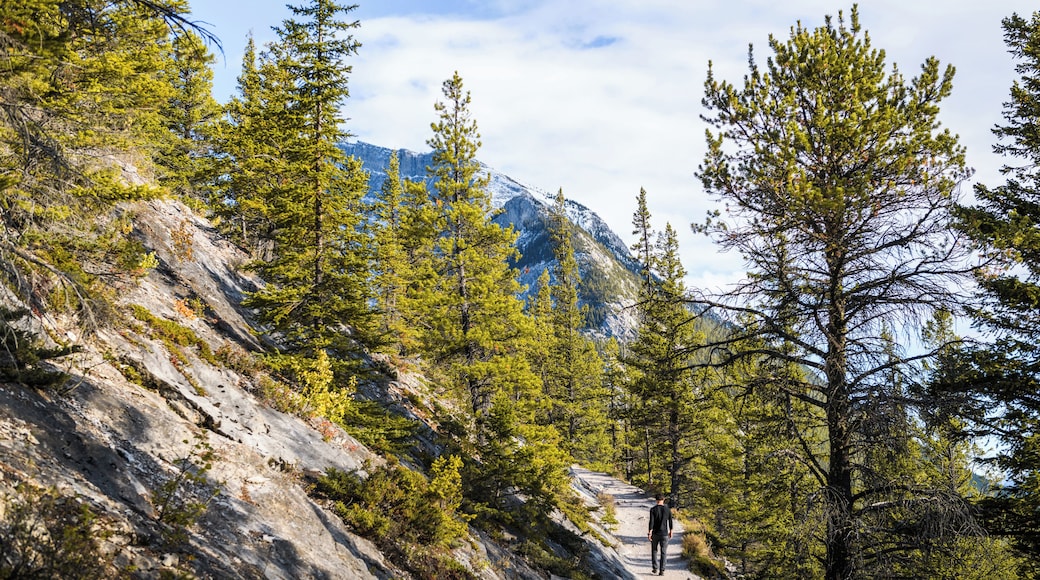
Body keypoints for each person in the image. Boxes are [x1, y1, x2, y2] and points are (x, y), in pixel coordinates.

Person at [648, 493, 672, 575]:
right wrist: (671, 531)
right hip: (664, 533)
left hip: (655, 533)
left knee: (654, 550)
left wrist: (650, 532)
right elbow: (670, 521)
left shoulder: (653, 510)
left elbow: (651, 522)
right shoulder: (667, 509)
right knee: (663, 551)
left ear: (656, 500)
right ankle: (662, 570)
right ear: (663, 499)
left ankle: (655, 568)